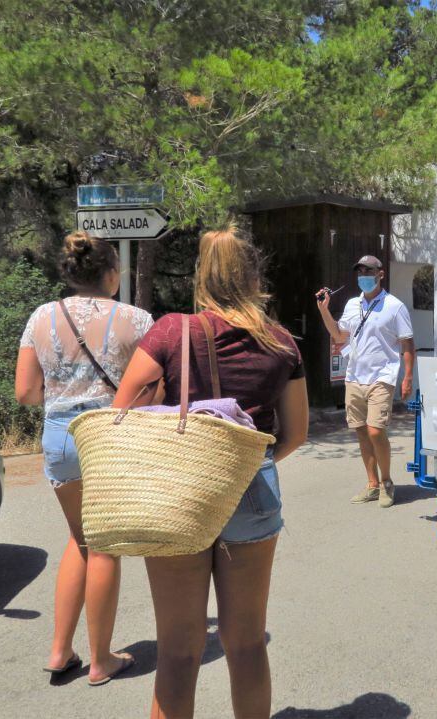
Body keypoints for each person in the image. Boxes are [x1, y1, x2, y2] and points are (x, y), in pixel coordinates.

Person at [113, 224, 309, 719]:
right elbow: (295, 434)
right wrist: (244, 462)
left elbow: (123, 411)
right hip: (251, 484)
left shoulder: (170, 331)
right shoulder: (283, 343)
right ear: (253, 276)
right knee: (246, 643)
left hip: (178, 492)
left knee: (178, 651)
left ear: (202, 275)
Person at [15, 231, 152, 685]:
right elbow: (155, 389)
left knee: (79, 539)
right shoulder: (136, 319)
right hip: (107, 438)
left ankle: (59, 651)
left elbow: (26, 393)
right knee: (105, 545)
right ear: (112, 274)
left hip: (59, 436)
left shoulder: (41, 316)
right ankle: (100, 660)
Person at [316, 255, 414, 508]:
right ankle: (372, 484)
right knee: (361, 431)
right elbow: (339, 335)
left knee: (375, 430)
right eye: (360, 271)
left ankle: (387, 482)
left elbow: (407, 343)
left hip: (382, 377)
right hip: (355, 377)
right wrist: (324, 310)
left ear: (380, 274)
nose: (364, 276)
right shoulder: (352, 304)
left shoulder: (394, 306)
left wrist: (408, 377)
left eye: (368, 271)